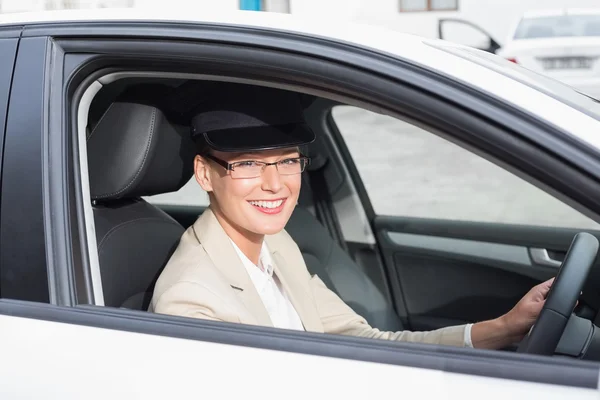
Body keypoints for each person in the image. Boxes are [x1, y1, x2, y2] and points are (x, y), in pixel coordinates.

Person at [149, 84, 553, 349]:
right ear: (205, 173)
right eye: (250, 164)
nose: (275, 184)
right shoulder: (191, 303)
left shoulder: (275, 243)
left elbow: (366, 341)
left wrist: (506, 326)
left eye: (287, 160)